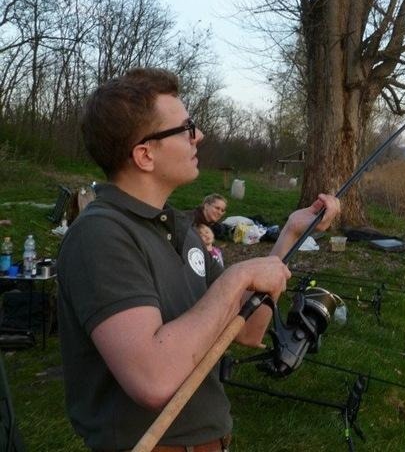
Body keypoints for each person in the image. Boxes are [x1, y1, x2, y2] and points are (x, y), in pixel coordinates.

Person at [56, 68, 340, 452]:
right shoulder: (101, 235)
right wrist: (234, 278)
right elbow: (153, 379)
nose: (199, 136)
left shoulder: (179, 227)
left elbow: (245, 329)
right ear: (144, 154)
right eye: (186, 128)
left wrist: (290, 234)